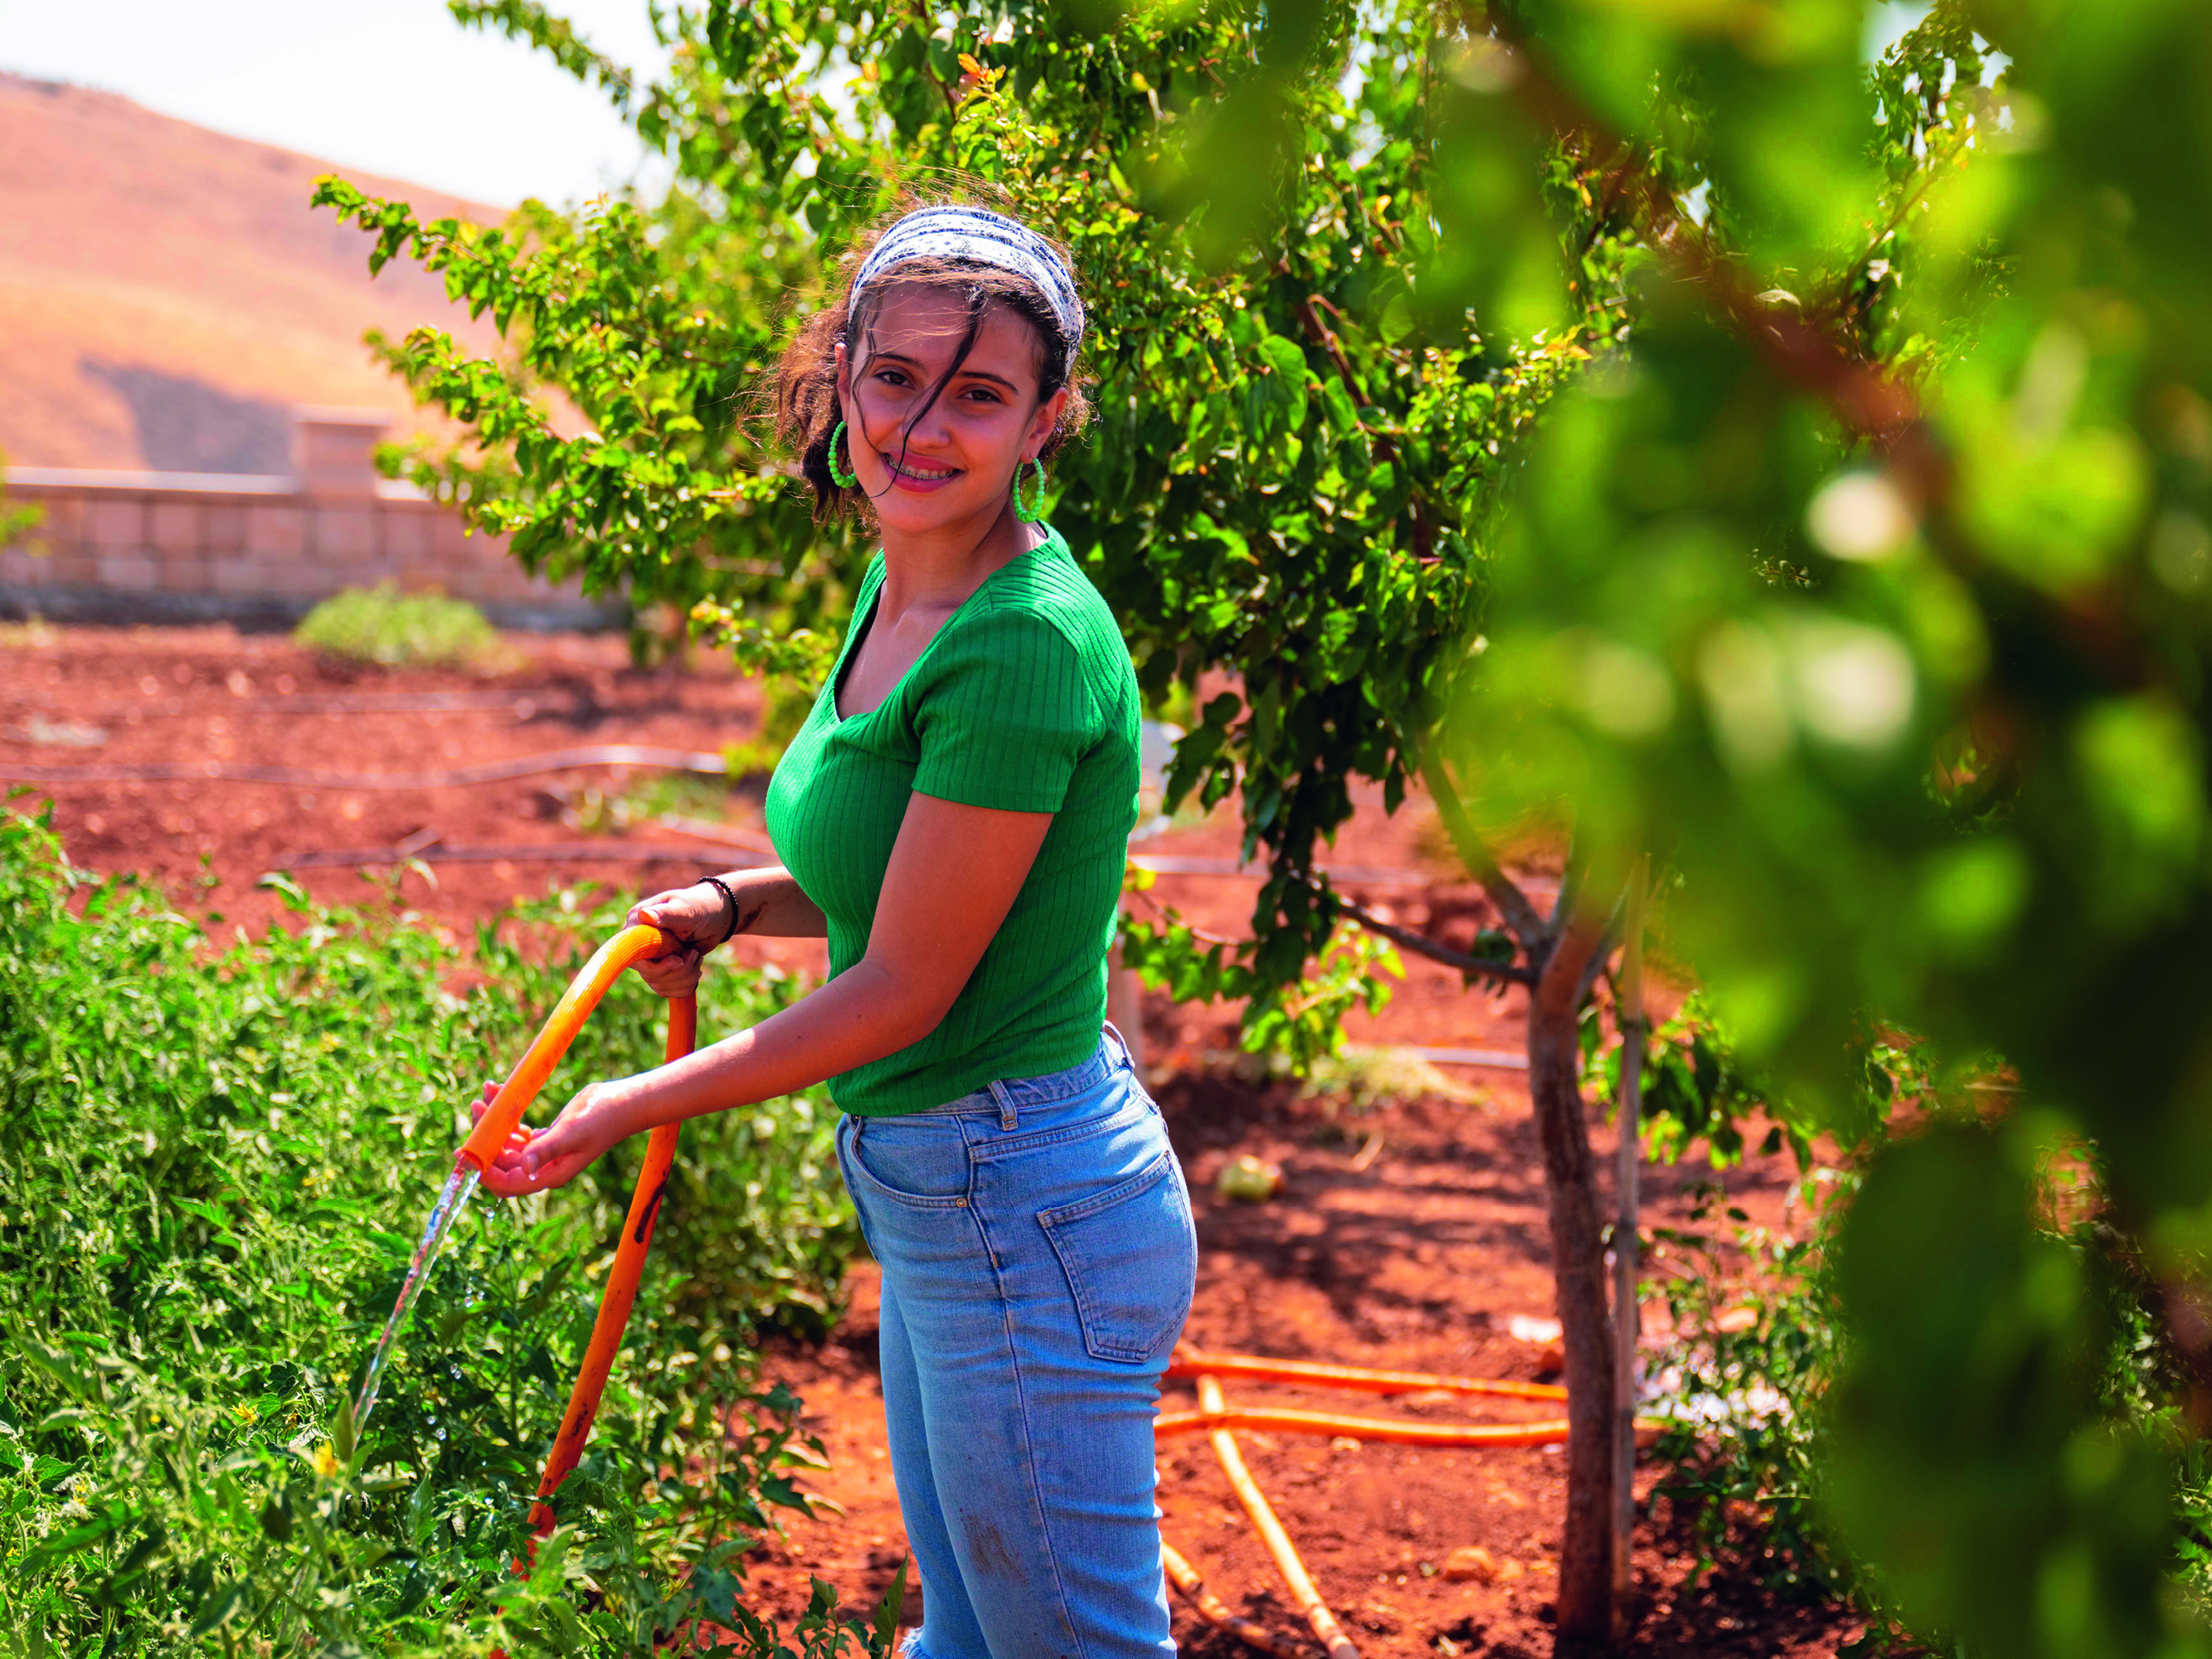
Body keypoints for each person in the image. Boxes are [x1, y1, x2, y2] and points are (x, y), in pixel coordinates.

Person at [469, 202, 1196, 1659]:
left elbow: (909, 985)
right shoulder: (905, 578)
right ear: (841, 374)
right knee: (968, 1642)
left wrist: (626, 1105)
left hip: (1019, 1196)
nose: (921, 426)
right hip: (959, 1186)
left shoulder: (1022, 643)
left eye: (978, 394)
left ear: (1045, 419)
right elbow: (910, 876)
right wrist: (740, 901)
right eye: (894, 377)